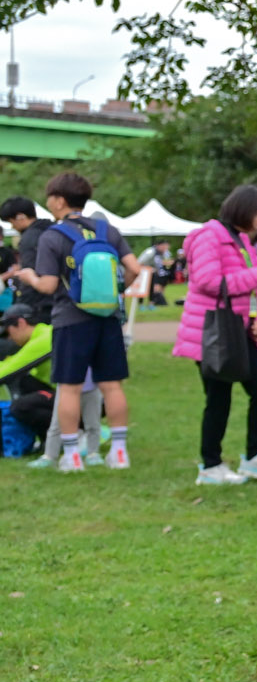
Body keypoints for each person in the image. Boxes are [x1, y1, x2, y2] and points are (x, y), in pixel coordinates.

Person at [173, 185, 257, 486]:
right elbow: (207, 281)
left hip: (240, 331)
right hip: (214, 333)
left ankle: (255, 457)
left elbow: (250, 292)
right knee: (219, 398)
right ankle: (210, 465)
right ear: (245, 210)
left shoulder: (241, 240)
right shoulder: (209, 236)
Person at [23, 172, 139, 472]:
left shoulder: (53, 236)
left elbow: (48, 285)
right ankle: (119, 452)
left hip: (71, 320)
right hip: (108, 318)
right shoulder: (107, 230)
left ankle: (72, 455)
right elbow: (135, 268)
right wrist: (113, 293)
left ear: (59, 200)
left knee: (70, 388)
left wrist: (29, 277)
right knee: (111, 386)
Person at [0, 304, 56, 444]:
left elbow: (7, 372)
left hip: (80, 398)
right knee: (26, 382)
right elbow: (12, 363)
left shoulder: (43, 339)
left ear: (21, 323)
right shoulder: (44, 332)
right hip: (74, 393)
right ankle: (48, 439)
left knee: (20, 407)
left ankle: (74, 432)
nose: (9, 338)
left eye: (8, 332)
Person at [1, 197, 55, 327]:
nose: (12, 226)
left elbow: (29, 271)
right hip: (60, 300)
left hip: (39, 303)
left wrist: (23, 305)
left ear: (20, 216)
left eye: (11, 221)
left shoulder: (29, 237)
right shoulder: (53, 230)